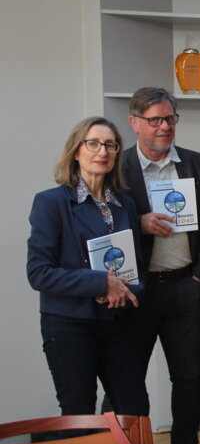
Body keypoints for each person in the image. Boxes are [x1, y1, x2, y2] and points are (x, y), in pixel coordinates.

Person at [122, 87, 200, 444]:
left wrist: (199, 275)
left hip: (185, 288)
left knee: (189, 381)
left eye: (170, 119)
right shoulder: (119, 166)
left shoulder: (192, 162)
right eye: (155, 120)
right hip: (138, 292)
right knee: (126, 382)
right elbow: (101, 225)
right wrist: (138, 224)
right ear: (135, 123)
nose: (164, 127)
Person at [27, 116, 149, 420]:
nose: (102, 151)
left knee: (134, 409)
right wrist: (99, 285)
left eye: (110, 145)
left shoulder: (125, 205)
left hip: (118, 322)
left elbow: (137, 267)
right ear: (76, 151)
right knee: (78, 414)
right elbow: (38, 273)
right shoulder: (51, 203)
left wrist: (129, 290)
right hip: (70, 324)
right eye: (93, 143)